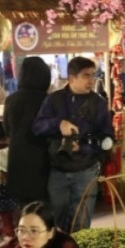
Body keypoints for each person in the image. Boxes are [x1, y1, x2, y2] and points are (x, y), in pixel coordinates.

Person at [32, 56, 114, 232]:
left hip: (86, 169)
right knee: (56, 218)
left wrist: (83, 146)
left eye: (93, 75)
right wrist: (58, 124)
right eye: (86, 76)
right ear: (71, 78)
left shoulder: (98, 103)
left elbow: (106, 138)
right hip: (58, 170)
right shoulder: (54, 100)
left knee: (82, 221)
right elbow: (37, 127)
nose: (91, 81)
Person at [3, 56, 53, 205]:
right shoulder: (49, 100)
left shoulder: (11, 100)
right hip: (44, 161)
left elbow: (7, 130)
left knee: (24, 207)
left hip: (18, 160)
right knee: (43, 209)